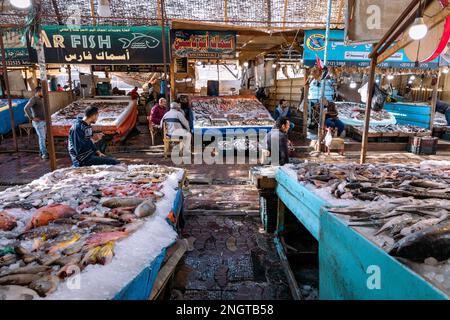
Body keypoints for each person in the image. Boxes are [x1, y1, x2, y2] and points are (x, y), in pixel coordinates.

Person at [24, 87, 48, 159]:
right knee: (42, 138)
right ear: (38, 92)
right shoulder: (33, 99)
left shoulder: (42, 99)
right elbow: (26, 108)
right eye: (42, 91)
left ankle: (41, 152)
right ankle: (44, 154)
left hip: (44, 121)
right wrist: (32, 118)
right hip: (39, 122)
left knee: (43, 138)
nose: (43, 93)